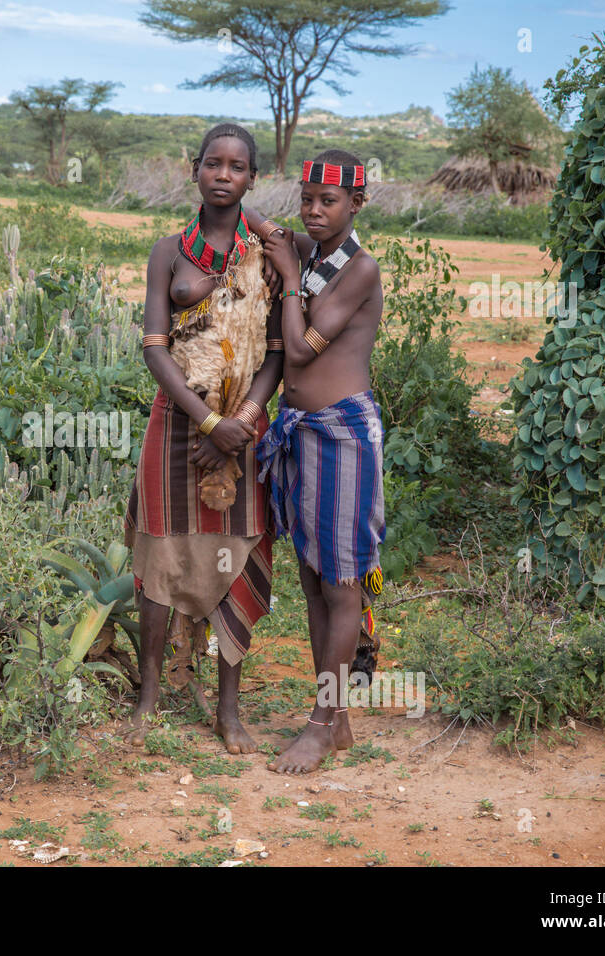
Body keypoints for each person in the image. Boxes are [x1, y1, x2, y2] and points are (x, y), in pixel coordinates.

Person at [124, 123, 287, 755]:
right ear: (193, 170)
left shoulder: (271, 252)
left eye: (237, 166)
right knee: (162, 553)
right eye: (212, 164)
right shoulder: (169, 251)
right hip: (177, 422)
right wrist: (206, 420)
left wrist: (240, 421)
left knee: (235, 553)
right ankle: (149, 697)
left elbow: (276, 353)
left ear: (253, 178)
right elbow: (154, 347)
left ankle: (228, 709)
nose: (224, 175)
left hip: (244, 428)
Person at [256, 149, 386, 774]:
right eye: (306, 198)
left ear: (356, 205)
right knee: (313, 579)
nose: (313, 210)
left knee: (340, 584)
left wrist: (285, 276)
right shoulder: (305, 253)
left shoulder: (357, 269)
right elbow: (245, 217)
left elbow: (304, 351)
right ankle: (335, 722)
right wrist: (226, 192)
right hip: (298, 431)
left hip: (342, 434)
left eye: (327, 200)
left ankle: (317, 726)